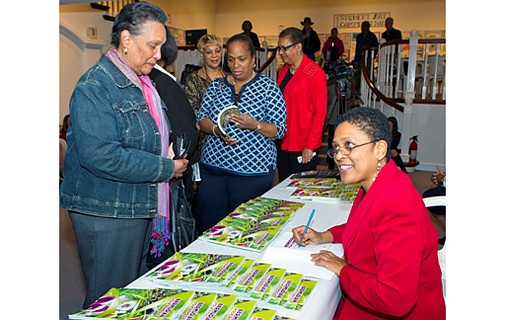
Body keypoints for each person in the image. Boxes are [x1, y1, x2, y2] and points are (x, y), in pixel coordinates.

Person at [60, 2, 189, 308]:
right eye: (153, 45)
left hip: (135, 205)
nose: (159, 55)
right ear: (127, 40)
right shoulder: (95, 87)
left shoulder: (140, 82)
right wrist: (165, 167)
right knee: (108, 299)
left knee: (129, 295)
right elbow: (103, 156)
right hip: (107, 211)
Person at [292, 107, 445, 319]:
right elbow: (366, 226)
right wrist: (324, 235)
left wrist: (342, 269)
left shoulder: (396, 206)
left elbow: (394, 299)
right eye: (336, 148)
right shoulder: (378, 183)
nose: (338, 155)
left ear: (380, 149)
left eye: (349, 145)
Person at [196, 34, 287, 231]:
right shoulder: (217, 86)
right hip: (213, 170)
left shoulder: (268, 88)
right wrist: (216, 130)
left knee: (245, 228)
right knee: (211, 226)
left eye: (241, 59)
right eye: (230, 59)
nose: (235, 65)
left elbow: (279, 130)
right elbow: (201, 119)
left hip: (252, 174)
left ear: (253, 59)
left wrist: (255, 125)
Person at [148, 26, 201, 245]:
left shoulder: (153, 78)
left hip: (164, 165)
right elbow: (184, 129)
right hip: (171, 167)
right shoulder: (162, 81)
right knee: (172, 229)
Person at [276, 27, 327, 182]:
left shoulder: (314, 72)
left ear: (298, 47)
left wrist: (310, 146)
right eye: (279, 48)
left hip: (303, 143)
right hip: (284, 141)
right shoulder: (284, 70)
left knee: (301, 188)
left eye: (284, 48)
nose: (280, 52)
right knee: (284, 185)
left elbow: (320, 113)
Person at [183, 34, 227, 154]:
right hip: (204, 141)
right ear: (202, 55)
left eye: (217, 51)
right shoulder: (193, 79)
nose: (214, 56)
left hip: (228, 138)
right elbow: (192, 110)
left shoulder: (229, 78)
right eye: (209, 52)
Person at [352, 21, 379, 92]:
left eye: (365, 26)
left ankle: (369, 91)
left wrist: (368, 50)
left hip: (368, 59)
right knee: (357, 76)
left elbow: (376, 48)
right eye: (362, 26)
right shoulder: (359, 37)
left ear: (368, 27)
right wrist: (355, 60)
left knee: (368, 75)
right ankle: (358, 91)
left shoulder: (372, 36)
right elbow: (357, 49)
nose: (363, 28)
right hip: (359, 59)